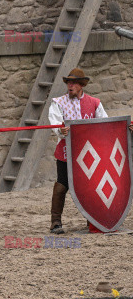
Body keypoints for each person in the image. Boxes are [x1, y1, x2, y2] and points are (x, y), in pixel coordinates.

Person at [48, 68, 108, 234]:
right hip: (66, 151)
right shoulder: (58, 102)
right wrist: (61, 131)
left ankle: (92, 220)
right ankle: (55, 222)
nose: (70, 85)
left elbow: (104, 123)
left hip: (89, 154)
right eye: (68, 82)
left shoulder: (95, 103)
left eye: (73, 82)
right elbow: (55, 123)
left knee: (90, 186)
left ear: (82, 85)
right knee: (62, 184)